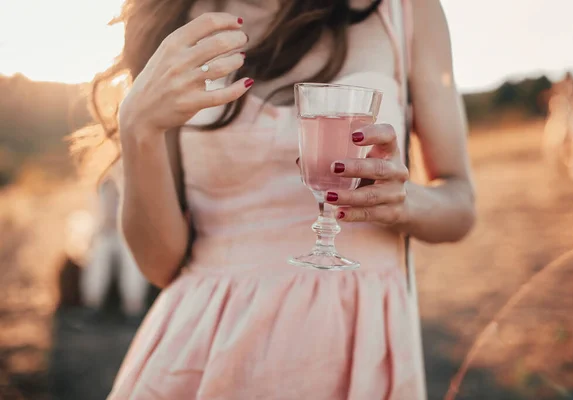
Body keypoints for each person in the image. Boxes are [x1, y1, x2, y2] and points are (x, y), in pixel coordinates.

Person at [81, 0, 475, 398]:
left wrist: (402, 202)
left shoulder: (406, 11)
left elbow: (460, 205)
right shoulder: (167, 19)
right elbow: (158, 264)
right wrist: (137, 126)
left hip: (358, 342)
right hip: (206, 350)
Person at [80, 177, 149, 317]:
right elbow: (97, 220)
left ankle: (133, 304)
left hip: (128, 234)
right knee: (99, 253)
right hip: (105, 234)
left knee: (132, 257)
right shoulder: (97, 186)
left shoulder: (132, 183)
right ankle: (93, 303)